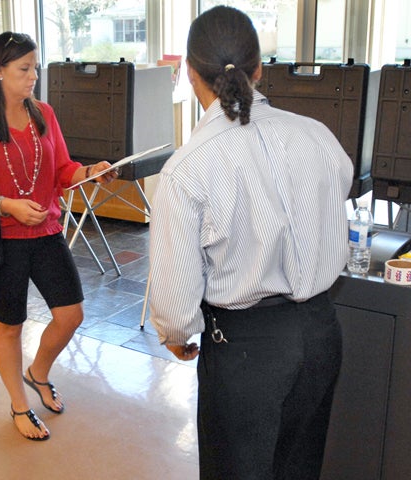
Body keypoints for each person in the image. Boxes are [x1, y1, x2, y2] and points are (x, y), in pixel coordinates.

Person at [148, 6, 353, 479]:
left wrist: (177, 335)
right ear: (260, 70)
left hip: (245, 348)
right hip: (321, 332)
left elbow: (176, 303)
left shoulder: (187, 168)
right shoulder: (318, 136)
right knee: (299, 468)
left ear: (190, 74)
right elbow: (335, 197)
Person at [0, 31, 117, 441]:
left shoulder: (43, 113)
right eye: (24, 69)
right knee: (11, 324)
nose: (33, 77)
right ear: (0, 70)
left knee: (70, 315)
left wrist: (89, 172)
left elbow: (63, 170)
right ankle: (19, 404)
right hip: (2, 237)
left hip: (46, 230)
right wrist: (9, 205)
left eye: (35, 68)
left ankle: (37, 372)